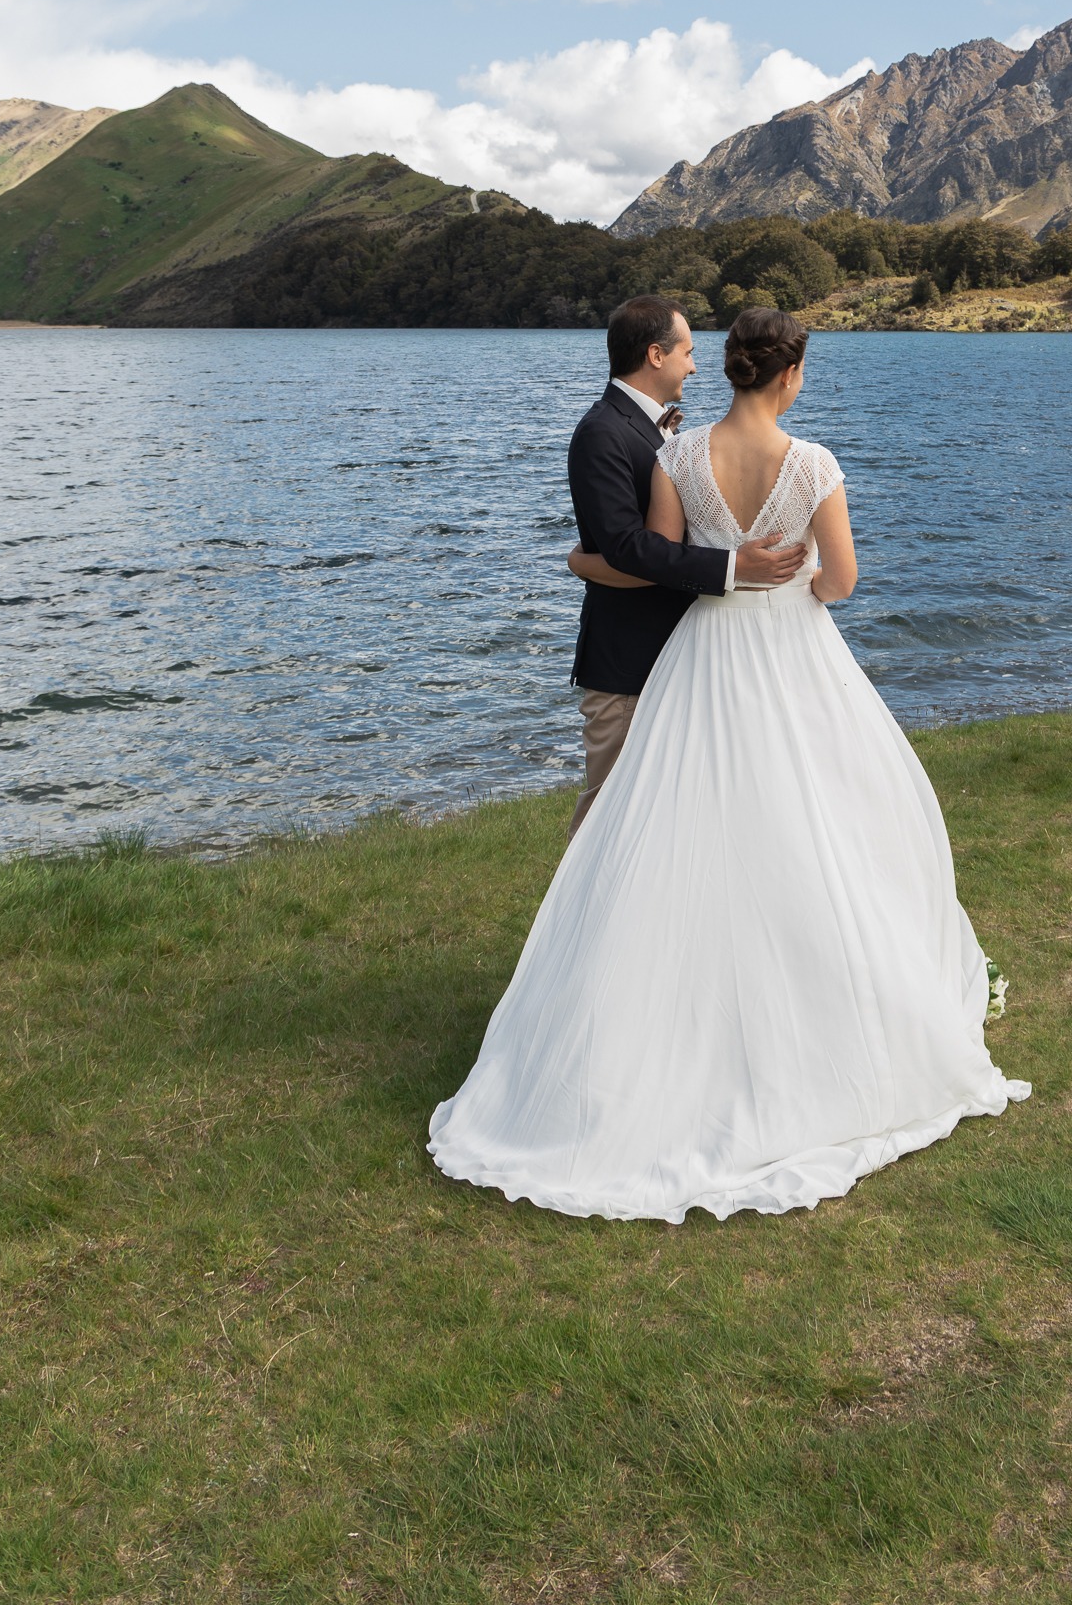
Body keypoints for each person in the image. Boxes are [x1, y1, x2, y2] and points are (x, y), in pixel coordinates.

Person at [427, 305, 1028, 1223]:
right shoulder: (814, 463)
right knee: (819, 817)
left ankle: (660, 1012)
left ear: (738, 368)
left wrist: (640, 564)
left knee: (680, 818)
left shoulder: (677, 455)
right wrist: (786, 581)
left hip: (701, 653)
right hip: (789, 650)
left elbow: (668, 556)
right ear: (788, 375)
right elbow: (840, 583)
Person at [562, 293, 808, 837]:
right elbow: (628, 547)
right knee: (609, 812)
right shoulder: (601, 433)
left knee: (665, 817)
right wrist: (731, 566)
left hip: (680, 654)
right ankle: (575, 920)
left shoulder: (655, 428)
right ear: (655, 354)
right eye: (687, 352)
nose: (695, 366)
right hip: (628, 662)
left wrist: (583, 563)